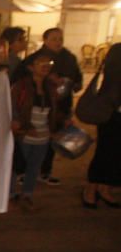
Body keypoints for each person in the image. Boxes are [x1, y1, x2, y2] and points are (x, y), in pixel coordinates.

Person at [10, 53, 65, 210]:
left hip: (43, 135)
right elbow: (13, 107)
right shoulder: (21, 86)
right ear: (30, 67)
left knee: (34, 166)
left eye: (49, 62)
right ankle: (11, 193)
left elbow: (55, 110)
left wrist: (60, 123)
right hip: (25, 133)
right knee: (17, 165)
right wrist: (22, 128)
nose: (46, 66)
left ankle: (27, 194)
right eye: (41, 63)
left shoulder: (51, 87)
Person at [32, 28, 82, 185]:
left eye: (60, 38)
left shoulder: (69, 57)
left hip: (63, 103)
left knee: (55, 137)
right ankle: (28, 171)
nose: (58, 42)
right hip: (42, 103)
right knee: (36, 138)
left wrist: (75, 84)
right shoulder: (36, 58)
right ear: (45, 40)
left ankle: (45, 171)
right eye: (54, 38)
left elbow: (77, 76)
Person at [82, 43, 121, 208]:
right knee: (105, 153)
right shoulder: (116, 60)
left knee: (114, 155)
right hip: (111, 115)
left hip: (113, 114)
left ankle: (104, 188)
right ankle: (91, 190)